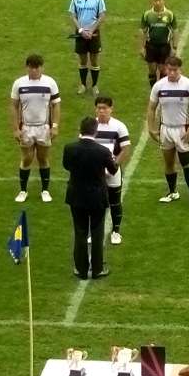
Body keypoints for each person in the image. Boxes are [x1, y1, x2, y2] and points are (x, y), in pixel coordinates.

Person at [147, 55, 189, 209]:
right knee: (169, 163)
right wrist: (151, 128)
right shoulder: (159, 86)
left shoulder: (188, 85)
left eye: (175, 70)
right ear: (165, 69)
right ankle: (173, 192)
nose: (172, 73)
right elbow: (151, 108)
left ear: (180, 69)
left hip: (182, 130)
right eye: (169, 70)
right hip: (165, 129)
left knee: (187, 164)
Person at [62, 116, 118, 280]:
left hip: (76, 195)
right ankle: (97, 269)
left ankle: (81, 269)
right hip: (97, 197)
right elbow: (113, 170)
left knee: (80, 232)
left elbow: (66, 166)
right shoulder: (103, 151)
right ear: (95, 131)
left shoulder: (69, 148)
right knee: (97, 232)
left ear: (80, 130)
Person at [10, 54, 61, 203]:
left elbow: (56, 105)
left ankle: (45, 190)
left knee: (43, 158)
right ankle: (23, 190)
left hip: (43, 127)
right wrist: (15, 129)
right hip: (26, 127)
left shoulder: (50, 82)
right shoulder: (19, 83)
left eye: (37, 68)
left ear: (42, 67)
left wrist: (55, 126)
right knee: (26, 159)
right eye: (31, 67)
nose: (34, 70)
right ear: (27, 67)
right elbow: (13, 106)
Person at [95, 96, 131, 245]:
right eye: (99, 108)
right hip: (95, 171)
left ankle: (116, 231)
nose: (101, 111)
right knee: (96, 203)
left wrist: (114, 166)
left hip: (113, 170)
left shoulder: (119, 126)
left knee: (115, 202)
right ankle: (95, 232)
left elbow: (125, 148)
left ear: (111, 109)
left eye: (104, 108)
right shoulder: (91, 126)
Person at [68, 0, 106, 97]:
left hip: (94, 34)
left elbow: (102, 16)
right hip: (81, 34)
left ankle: (94, 85)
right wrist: (81, 30)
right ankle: (83, 85)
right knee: (83, 60)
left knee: (94, 60)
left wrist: (91, 30)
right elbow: (73, 16)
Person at [140, 0, 179, 87]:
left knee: (163, 69)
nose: (157, 3)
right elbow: (142, 31)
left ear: (163, 0)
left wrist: (174, 47)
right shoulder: (147, 14)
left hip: (164, 46)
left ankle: (161, 90)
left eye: (159, 0)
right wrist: (141, 47)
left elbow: (175, 31)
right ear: (152, 2)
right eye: (155, 0)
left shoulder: (169, 14)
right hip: (150, 46)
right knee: (152, 70)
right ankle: (153, 90)